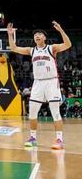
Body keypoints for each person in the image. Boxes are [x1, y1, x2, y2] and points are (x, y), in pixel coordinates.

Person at [7, 21, 71, 150]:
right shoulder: (31, 50)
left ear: (44, 38)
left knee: (55, 112)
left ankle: (59, 140)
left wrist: (60, 30)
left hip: (51, 82)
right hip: (37, 83)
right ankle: (33, 138)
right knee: (32, 112)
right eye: (35, 35)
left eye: (40, 34)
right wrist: (10, 34)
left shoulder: (51, 48)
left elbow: (68, 44)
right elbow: (14, 48)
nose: (37, 36)